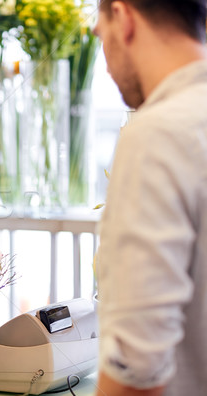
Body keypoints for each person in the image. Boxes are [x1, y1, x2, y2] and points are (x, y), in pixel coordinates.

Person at [92, 0, 207, 395]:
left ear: (123, 19)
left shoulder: (157, 133)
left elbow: (137, 364)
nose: (106, 65)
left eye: (100, 37)